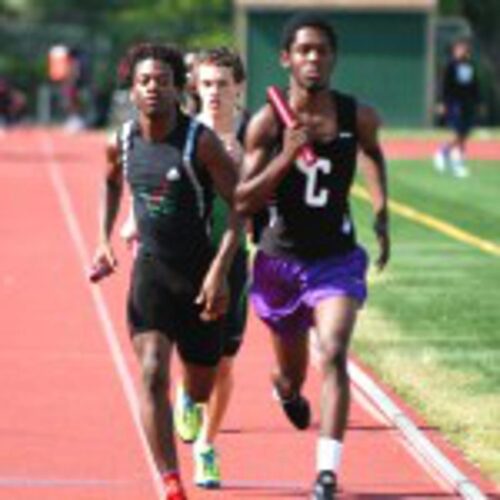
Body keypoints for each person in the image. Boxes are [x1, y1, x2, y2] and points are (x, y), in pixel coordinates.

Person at [234, 13, 390, 500]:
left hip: (335, 259)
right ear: (286, 59)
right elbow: (243, 201)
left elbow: (372, 152)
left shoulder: (356, 114)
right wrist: (286, 155)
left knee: (335, 351)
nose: (313, 58)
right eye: (304, 50)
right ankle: (285, 390)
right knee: (292, 371)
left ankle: (326, 474)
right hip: (280, 262)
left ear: (333, 58)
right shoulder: (265, 122)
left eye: (322, 50)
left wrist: (381, 209)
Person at [90, 42, 240, 500]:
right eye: (144, 81)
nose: (154, 87)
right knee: (153, 370)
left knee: (198, 382)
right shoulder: (122, 140)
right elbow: (112, 182)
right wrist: (102, 238)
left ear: (179, 87)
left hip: (202, 280)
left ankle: (190, 402)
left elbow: (241, 210)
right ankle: (172, 482)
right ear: (133, 90)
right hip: (152, 274)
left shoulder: (202, 142)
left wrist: (219, 272)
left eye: (163, 80)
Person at [172, 47, 249, 489]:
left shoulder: (256, 133)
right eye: (206, 84)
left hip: (236, 258)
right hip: (188, 258)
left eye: (222, 83)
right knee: (192, 355)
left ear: (238, 87)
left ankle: (206, 446)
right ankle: (186, 391)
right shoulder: (184, 134)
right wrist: (132, 222)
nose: (215, 92)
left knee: (223, 363)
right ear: (194, 88)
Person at [433, 37, 479, 178]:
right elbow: (444, 86)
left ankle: (449, 156)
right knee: (458, 133)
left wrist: (478, 101)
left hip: (468, 104)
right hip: (454, 103)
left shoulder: (470, 65)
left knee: (464, 134)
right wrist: (442, 103)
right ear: (454, 50)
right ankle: (451, 158)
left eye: (464, 48)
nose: (462, 51)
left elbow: (474, 85)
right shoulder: (450, 65)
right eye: (459, 49)